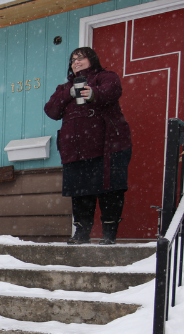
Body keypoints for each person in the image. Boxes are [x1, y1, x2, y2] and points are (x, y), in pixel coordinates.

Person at [44, 47, 132, 244]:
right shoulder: (64, 88)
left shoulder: (105, 76)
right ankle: (81, 234)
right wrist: (69, 92)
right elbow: (51, 110)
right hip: (75, 151)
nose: (76, 62)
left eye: (81, 58)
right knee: (81, 194)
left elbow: (112, 91)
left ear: (92, 59)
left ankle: (109, 235)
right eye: (73, 59)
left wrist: (93, 92)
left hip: (107, 147)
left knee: (110, 191)